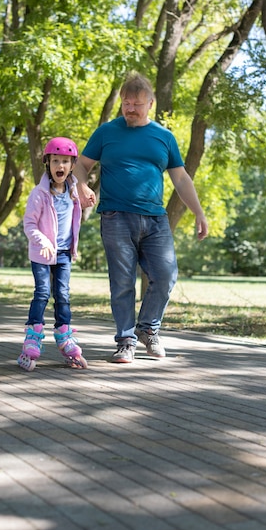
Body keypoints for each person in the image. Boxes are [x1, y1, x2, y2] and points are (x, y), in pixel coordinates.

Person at [74, 71, 208, 363]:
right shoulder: (106, 132)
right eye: (126, 103)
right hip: (116, 216)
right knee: (122, 282)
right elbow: (80, 165)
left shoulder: (164, 137)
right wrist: (82, 184)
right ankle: (125, 341)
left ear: (151, 103)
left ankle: (147, 328)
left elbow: (181, 178)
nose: (131, 109)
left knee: (165, 275)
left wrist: (198, 212)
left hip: (155, 219)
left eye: (137, 103)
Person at [18, 136, 88, 372]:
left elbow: (75, 217)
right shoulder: (39, 194)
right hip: (42, 253)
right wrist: (43, 240)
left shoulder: (73, 192)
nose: (60, 166)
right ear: (47, 163)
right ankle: (33, 335)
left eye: (65, 162)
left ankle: (64, 335)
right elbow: (29, 224)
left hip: (64, 253)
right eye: (55, 160)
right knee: (42, 293)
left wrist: (88, 198)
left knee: (63, 294)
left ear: (72, 165)